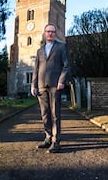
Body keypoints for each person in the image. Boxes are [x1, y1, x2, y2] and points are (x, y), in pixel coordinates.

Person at [31, 23, 69, 153]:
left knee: (55, 115)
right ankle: (47, 138)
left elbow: (66, 66)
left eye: (52, 31)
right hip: (42, 86)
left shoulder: (62, 47)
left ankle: (56, 142)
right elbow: (36, 69)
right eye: (48, 31)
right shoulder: (40, 51)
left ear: (55, 33)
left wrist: (61, 81)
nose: (50, 33)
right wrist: (33, 85)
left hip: (55, 86)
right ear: (44, 33)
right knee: (45, 114)